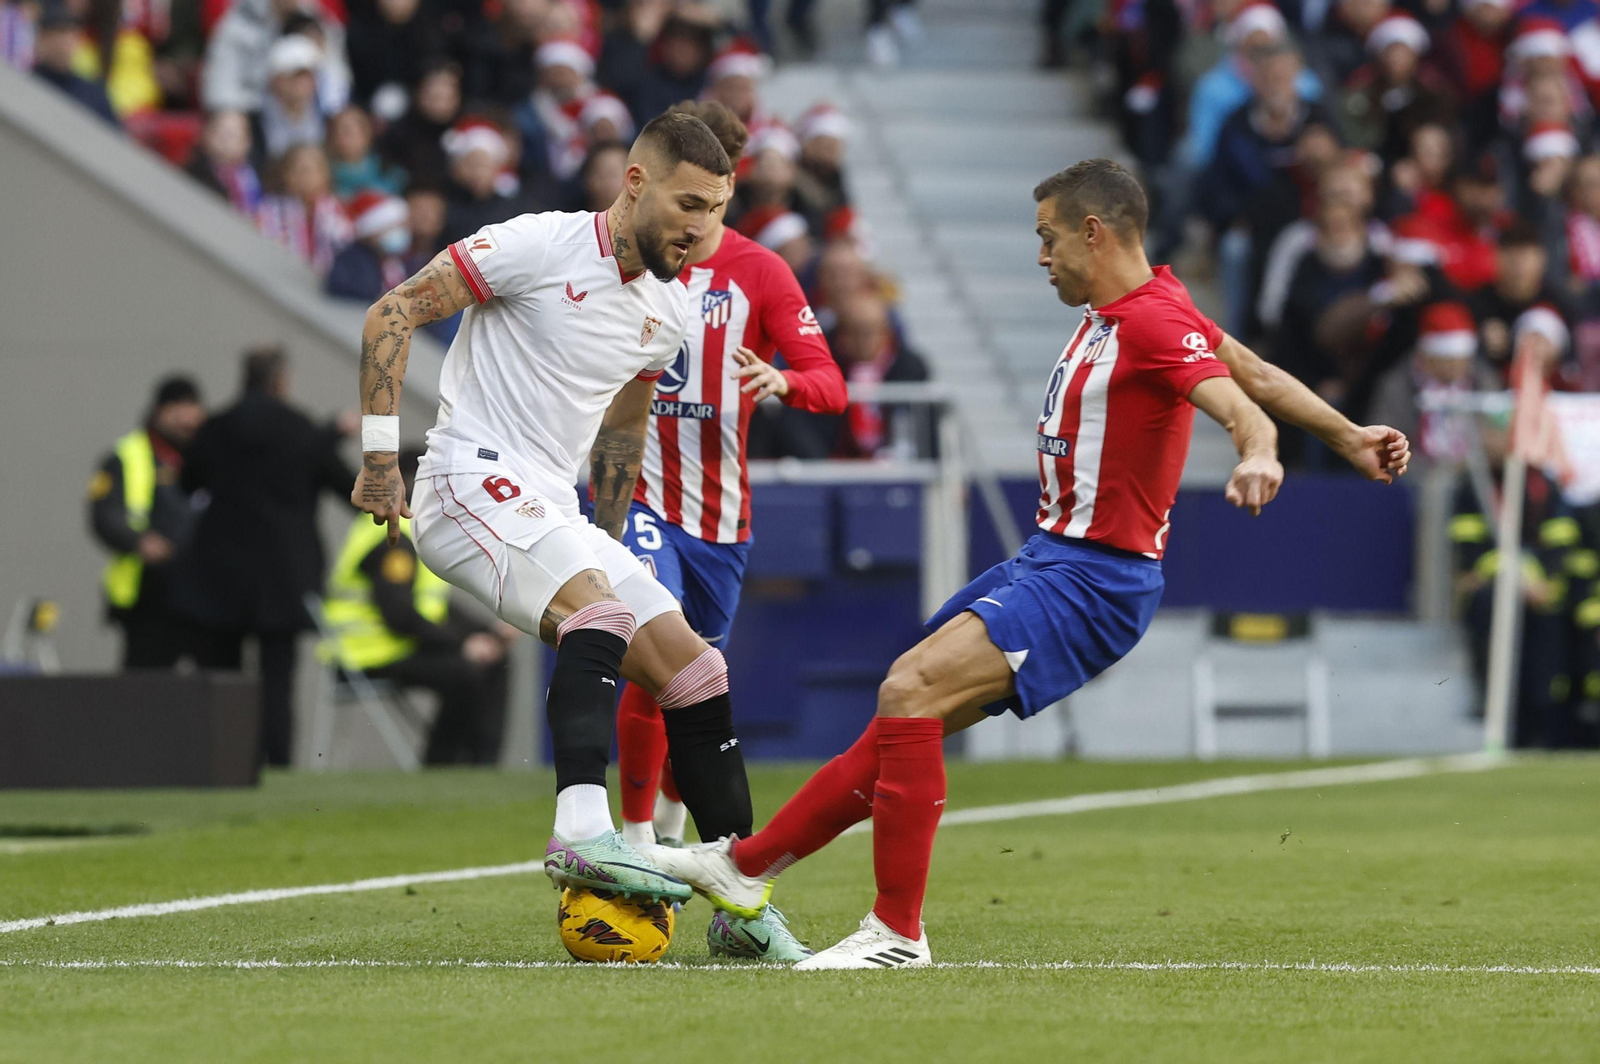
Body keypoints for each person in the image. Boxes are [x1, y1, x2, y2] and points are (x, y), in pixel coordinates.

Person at [650, 159, 1412, 969]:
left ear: (1094, 232)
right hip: (1050, 558)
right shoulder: (1146, 308)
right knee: (899, 724)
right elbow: (1254, 370)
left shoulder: (1153, 323)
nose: (1042, 256)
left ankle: (896, 934)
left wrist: (1261, 452)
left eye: (1049, 238)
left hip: (1096, 579)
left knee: (910, 691)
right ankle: (746, 868)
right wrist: (1350, 436)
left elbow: (1239, 404)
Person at [351, 112, 758, 906]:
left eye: (715, 210)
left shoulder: (668, 310)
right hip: (467, 479)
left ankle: (741, 886)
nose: (701, 228)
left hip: (551, 505)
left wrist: (605, 542)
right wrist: (378, 461)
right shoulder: (536, 245)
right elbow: (392, 313)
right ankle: (580, 833)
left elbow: (622, 431)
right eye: (688, 204)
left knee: (697, 670)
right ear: (635, 183)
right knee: (600, 615)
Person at [610, 100, 847, 960]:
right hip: (641, 501)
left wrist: (784, 382)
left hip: (722, 521)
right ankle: (634, 841)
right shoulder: (624, 257)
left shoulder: (762, 274)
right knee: (655, 652)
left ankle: (680, 839)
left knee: (698, 685)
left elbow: (831, 385)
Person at [177, 347, 354, 766]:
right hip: (283, 574)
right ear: (280, 380)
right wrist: (332, 435)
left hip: (221, 571)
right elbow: (343, 485)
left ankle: (226, 761)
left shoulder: (215, 428)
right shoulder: (301, 429)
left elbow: (187, 483)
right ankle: (277, 763)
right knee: (278, 678)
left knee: (224, 676)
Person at [323, 446, 510, 765]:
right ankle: (441, 766)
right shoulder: (392, 536)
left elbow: (433, 607)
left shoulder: (409, 530)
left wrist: (487, 632)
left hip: (397, 646)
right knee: (466, 671)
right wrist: (462, 644)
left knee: (494, 658)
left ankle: (482, 766)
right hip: (369, 654)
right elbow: (398, 615)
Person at [87, 375, 205, 669]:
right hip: (149, 592)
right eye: (176, 410)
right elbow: (105, 513)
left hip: (202, 589)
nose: (186, 420)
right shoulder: (128, 455)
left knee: (209, 685)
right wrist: (139, 541)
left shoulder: (207, 456)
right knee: (146, 682)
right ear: (159, 411)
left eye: (191, 411)